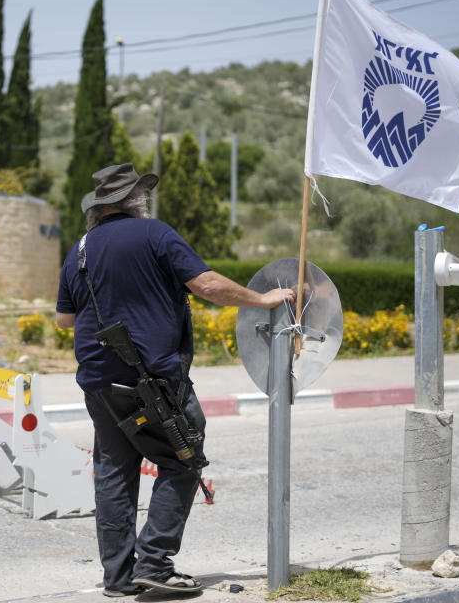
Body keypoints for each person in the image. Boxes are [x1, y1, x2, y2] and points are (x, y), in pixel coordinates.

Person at [56, 163, 296, 597]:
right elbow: (206, 284)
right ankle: (155, 564)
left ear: (99, 208)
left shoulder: (81, 249)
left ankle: (118, 578)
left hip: (99, 381)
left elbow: (63, 319)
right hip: (154, 379)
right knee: (183, 459)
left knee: (113, 471)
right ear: (135, 200)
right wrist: (261, 299)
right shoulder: (155, 234)